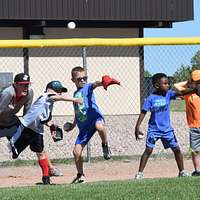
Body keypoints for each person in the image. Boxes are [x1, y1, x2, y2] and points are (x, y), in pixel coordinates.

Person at [9, 80, 81, 184]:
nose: (60, 93)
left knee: (40, 151)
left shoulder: (48, 104)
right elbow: (58, 97)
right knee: (14, 151)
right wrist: (75, 99)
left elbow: (44, 119)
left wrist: (51, 126)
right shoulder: (46, 95)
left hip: (38, 129)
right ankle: (15, 146)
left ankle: (46, 178)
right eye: (58, 90)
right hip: (26, 127)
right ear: (51, 90)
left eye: (61, 91)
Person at [0, 73, 62, 177]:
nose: (26, 87)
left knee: (36, 139)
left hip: (12, 123)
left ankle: (50, 169)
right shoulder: (8, 93)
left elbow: (29, 115)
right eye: (22, 84)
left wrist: (48, 123)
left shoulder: (29, 93)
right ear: (15, 84)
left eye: (27, 84)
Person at [65, 66, 120, 184]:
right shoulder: (75, 94)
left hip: (95, 118)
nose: (83, 80)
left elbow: (95, 84)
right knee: (76, 151)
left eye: (85, 78)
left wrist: (103, 81)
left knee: (100, 127)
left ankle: (105, 146)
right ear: (73, 80)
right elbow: (77, 111)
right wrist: (73, 125)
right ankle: (80, 175)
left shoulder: (87, 87)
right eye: (79, 79)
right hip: (84, 127)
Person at [134, 73, 193, 180]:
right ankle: (140, 173)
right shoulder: (151, 98)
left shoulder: (169, 94)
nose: (167, 85)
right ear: (157, 85)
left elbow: (182, 92)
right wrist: (137, 127)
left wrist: (193, 90)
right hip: (154, 129)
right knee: (148, 150)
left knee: (176, 149)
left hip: (167, 130)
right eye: (165, 83)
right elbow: (143, 112)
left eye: (168, 83)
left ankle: (182, 171)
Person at [174, 70, 200, 176]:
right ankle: (197, 170)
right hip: (194, 126)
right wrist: (189, 83)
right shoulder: (188, 93)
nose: (198, 84)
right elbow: (176, 85)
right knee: (195, 150)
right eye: (196, 81)